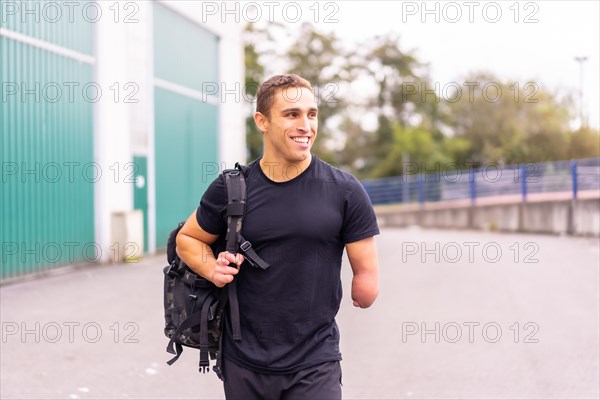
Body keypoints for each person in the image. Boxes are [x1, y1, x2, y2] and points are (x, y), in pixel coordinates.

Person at [176, 74, 379, 399]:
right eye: (291, 114)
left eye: (311, 114)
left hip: (315, 362)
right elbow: (188, 238)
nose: (306, 125)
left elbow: (366, 266)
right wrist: (211, 268)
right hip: (244, 362)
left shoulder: (344, 190)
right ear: (262, 121)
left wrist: (366, 282)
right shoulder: (232, 188)